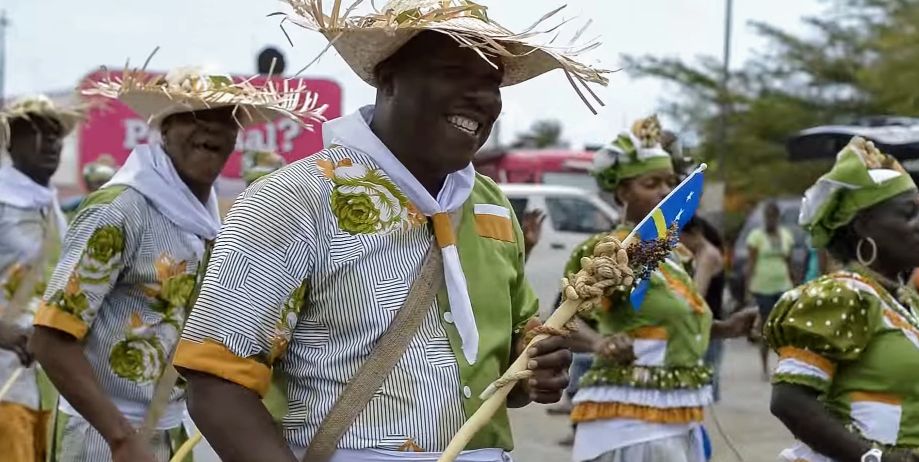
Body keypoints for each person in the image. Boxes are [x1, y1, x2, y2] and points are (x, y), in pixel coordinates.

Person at [171, 2, 608, 461]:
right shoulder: (294, 198)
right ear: (389, 80)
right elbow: (216, 381)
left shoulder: (492, 207)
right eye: (454, 70)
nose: (480, 96)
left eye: (490, 81)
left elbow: (506, 368)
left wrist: (534, 369)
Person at [29, 66, 325, 462]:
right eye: (193, 116)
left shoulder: (208, 220)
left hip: (173, 429)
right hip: (101, 437)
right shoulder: (120, 210)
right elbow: (50, 340)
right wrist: (119, 437)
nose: (211, 129)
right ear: (164, 128)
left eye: (224, 118)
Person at [566, 115, 757, 462]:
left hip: (677, 414)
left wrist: (725, 329)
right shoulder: (610, 250)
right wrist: (600, 343)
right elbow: (561, 322)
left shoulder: (671, 254)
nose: (665, 192)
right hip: (627, 420)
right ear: (623, 191)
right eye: (652, 183)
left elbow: (669, 325)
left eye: (670, 182)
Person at [765, 136, 919, 462]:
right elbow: (789, 400)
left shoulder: (904, 303)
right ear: (863, 225)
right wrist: (873, 458)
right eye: (909, 214)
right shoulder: (843, 295)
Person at [0, 95, 81, 462]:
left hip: (46, 381)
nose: (51, 143)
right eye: (37, 133)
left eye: (56, 135)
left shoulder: (54, 209)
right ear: (9, 139)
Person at [746, 201, 795, 379]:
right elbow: (750, 263)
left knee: (784, 327)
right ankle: (765, 367)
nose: (771, 220)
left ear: (777, 218)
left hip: (783, 285)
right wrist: (748, 286)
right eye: (768, 217)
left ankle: (785, 365)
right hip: (763, 286)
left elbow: (789, 262)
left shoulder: (786, 235)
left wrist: (795, 283)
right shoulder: (756, 237)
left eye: (773, 217)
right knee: (766, 327)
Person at [680, 217, 727, 402]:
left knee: (701, 392)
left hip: (707, 331)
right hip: (704, 330)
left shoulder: (707, 255)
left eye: (679, 236)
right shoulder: (700, 254)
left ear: (695, 234)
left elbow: (695, 296)